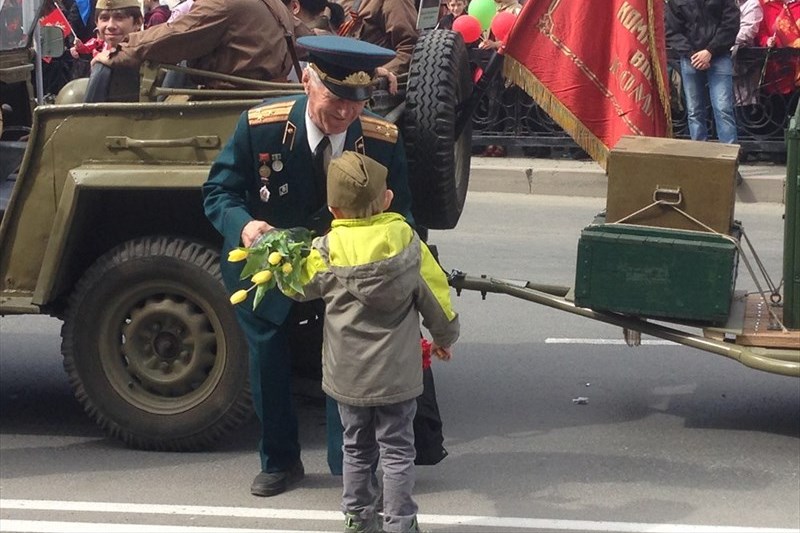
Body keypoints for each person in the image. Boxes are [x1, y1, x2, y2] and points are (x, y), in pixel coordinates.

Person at [202, 35, 415, 498]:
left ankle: (349, 465)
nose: (344, 113)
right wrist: (246, 227)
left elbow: (403, 217)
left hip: (345, 271)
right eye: (335, 99)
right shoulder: (260, 127)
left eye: (356, 102)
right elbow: (218, 192)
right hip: (271, 265)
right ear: (306, 81)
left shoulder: (379, 140)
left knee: (348, 358)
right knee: (268, 360)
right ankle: (279, 460)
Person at [280, 151, 459, 533]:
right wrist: (444, 337)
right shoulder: (407, 242)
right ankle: (400, 523)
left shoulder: (324, 250)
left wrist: (279, 264)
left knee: (356, 448)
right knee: (397, 451)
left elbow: (296, 288)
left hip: (348, 376)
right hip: (397, 376)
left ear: (333, 209)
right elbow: (434, 294)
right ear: (388, 199)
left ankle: (357, 519)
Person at [92, 0, 302, 89]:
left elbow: (176, 35)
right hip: (266, 94)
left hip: (230, 103)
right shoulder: (272, 3)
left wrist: (121, 50)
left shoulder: (223, 4)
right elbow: (304, 35)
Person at [665, 0, 741, 148]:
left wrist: (710, 51)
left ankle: (730, 160)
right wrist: (692, 53)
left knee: (723, 109)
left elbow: (731, 24)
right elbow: (671, 30)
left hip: (719, 56)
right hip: (690, 59)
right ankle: (700, 158)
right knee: (694, 111)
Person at [335, 0, 419, 79]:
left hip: (372, 85)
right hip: (337, 80)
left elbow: (408, 48)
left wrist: (377, 76)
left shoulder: (395, 2)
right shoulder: (336, 3)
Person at [70, 0, 142, 61]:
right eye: (104, 18)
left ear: (138, 22)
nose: (110, 26)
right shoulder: (99, 48)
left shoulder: (146, 54)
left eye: (119, 18)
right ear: (96, 23)